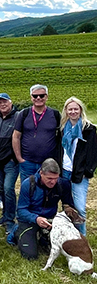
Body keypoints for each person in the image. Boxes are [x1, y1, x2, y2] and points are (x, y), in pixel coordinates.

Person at [9, 158, 74, 260]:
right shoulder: (28, 184)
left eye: (56, 178)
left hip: (50, 220)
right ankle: (16, 231)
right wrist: (36, 219)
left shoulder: (63, 184)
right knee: (30, 256)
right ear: (41, 173)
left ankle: (43, 237)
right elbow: (21, 210)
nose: (53, 182)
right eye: (49, 178)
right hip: (29, 219)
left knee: (57, 249)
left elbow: (68, 206)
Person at [59, 97, 97, 235]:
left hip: (79, 173)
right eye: (70, 109)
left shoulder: (88, 129)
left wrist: (88, 171)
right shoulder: (62, 129)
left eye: (76, 109)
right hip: (64, 171)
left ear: (80, 110)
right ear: (66, 111)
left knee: (80, 208)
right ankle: (70, 235)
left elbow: (93, 152)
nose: (73, 111)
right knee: (67, 206)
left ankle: (82, 237)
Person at [13, 84, 61, 182]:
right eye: (35, 96)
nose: (38, 98)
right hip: (27, 162)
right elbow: (16, 136)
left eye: (42, 95)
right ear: (31, 97)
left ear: (46, 97)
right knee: (28, 189)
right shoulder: (24, 114)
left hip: (48, 163)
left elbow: (61, 137)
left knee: (47, 191)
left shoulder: (55, 114)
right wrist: (19, 158)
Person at [0, 93, 20, 233]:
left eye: (5, 102)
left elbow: (20, 137)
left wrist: (15, 157)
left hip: (10, 161)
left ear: (10, 102)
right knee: (1, 188)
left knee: (8, 189)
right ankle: (5, 216)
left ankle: (10, 219)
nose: (2, 104)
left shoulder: (18, 117)